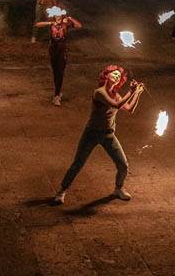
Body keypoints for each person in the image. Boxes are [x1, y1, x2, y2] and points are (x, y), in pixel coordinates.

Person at [52, 65, 144, 205]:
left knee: (123, 165)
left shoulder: (117, 94)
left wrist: (137, 93)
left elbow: (129, 109)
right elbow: (117, 105)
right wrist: (130, 92)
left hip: (108, 135)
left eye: (118, 76)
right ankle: (61, 191)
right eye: (113, 74)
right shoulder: (99, 92)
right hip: (92, 133)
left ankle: (118, 189)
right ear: (106, 76)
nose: (116, 76)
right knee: (78, 164)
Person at [34, 9, 83, 105]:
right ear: (54, 16)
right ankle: (58, 92)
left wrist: (70, 18)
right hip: (53, 51)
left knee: (60, 73)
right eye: (56, 15)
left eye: (59, 15)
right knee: (55, 73)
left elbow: (79, 26)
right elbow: (37, 25)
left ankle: (56, 96)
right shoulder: (51, 24)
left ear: (62, 16)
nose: (58, 16)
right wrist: (49, 23)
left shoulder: (66, 24)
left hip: (62, 51)